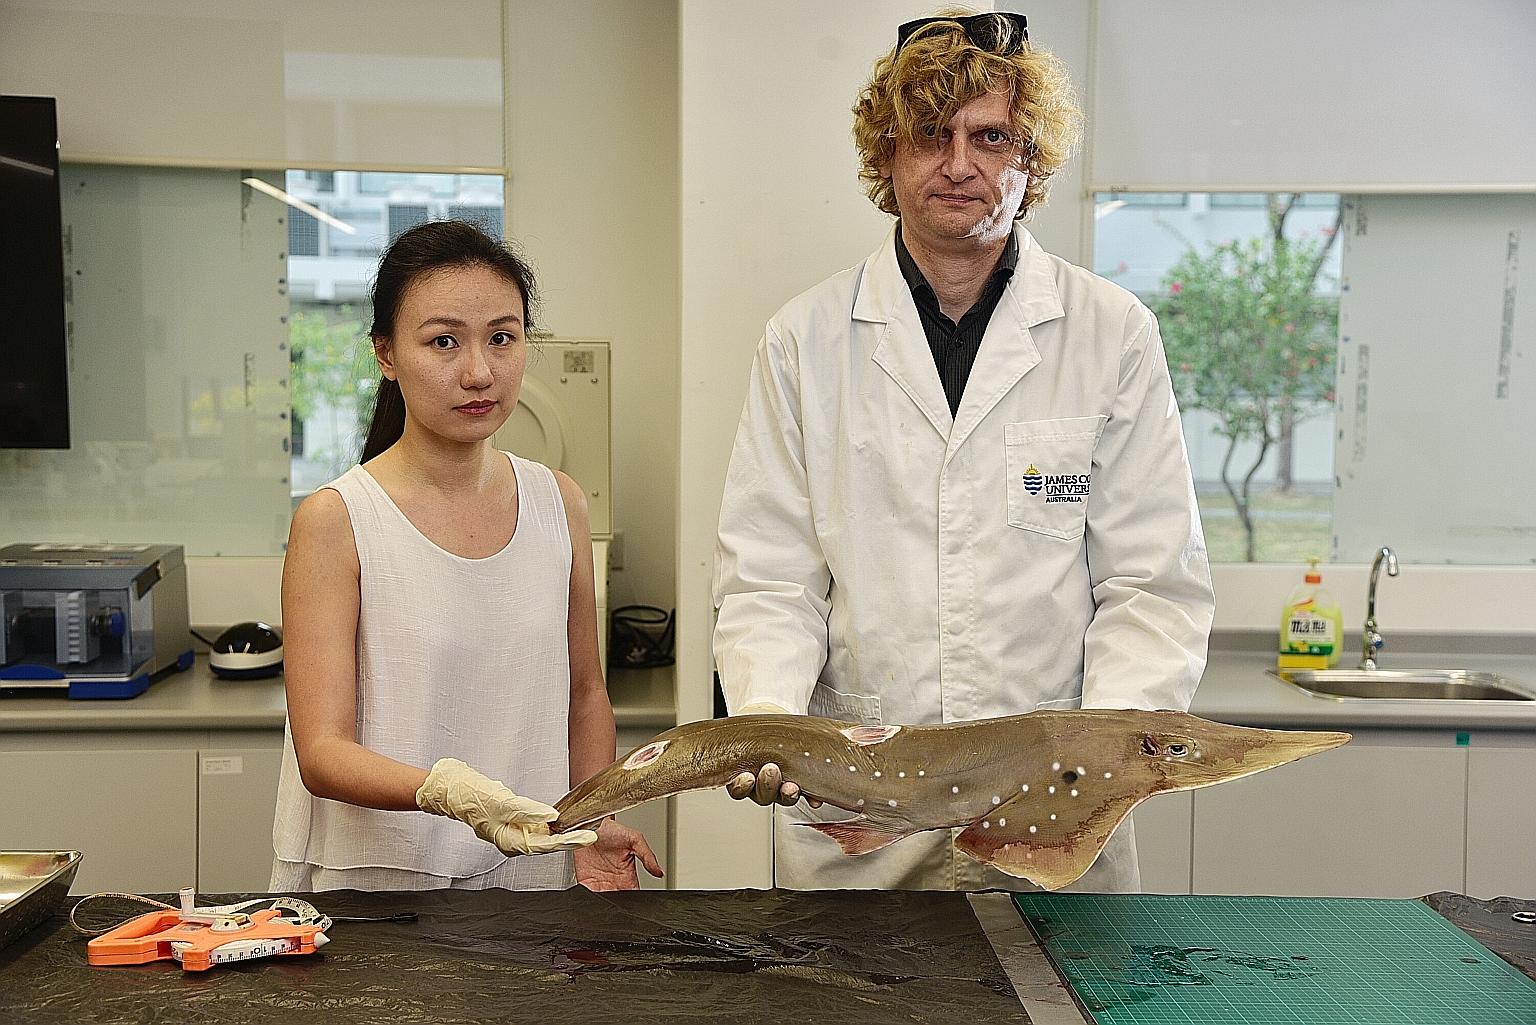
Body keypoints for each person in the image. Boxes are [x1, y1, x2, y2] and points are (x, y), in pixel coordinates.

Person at [712, 11, 1214, 891]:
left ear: (1032, 162)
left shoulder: (1112, 333)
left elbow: (1151, 582)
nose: (959, 164)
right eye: (929, 136)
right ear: (887, 157)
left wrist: (1096, 755)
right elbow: (769, 579)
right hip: (856, 803)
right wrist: (766, 724)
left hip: (1053, 807)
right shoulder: (804, 339)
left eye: (991, 137)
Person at [271, 220, 662, 892]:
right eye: (444, 341)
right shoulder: (339, 519)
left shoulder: (558, 502)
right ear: (387, 353)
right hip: (378, 881)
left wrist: (593, 818)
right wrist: (447, 789)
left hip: (527, 870)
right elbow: (322, 752)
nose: (479, 371)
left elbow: (586, 693)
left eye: (502, 338)